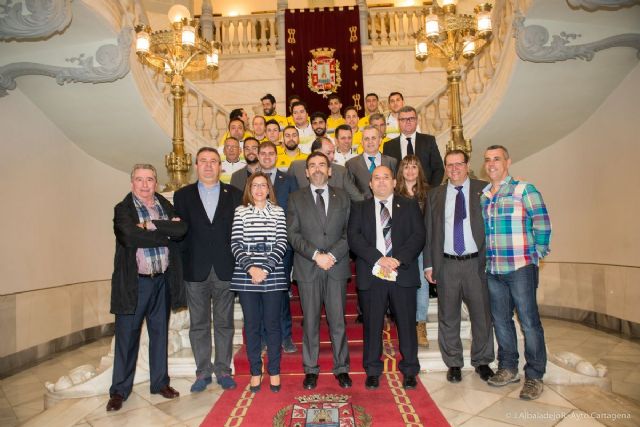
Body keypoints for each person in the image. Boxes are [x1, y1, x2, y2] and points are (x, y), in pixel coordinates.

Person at [107, 164, 187, 411]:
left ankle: (160, 383)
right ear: (132, 183)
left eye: (149, 179)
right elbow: (129, 237)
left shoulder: (165, 204)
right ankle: (119, 390)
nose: (144, 185)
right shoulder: (123, 209)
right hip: (136, 283)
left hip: (162, 280)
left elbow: (181, 229)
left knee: (160, 334)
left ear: (156, 182)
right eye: (139, 180)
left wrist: (149, 225)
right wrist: (165, 229)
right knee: (127, 338)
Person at [481, 145, 551, 400]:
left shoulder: (524, 190)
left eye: (496, 159)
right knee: (501, 321)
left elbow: (541, 221)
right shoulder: (485, 195)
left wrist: (537, 253)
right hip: (493, 268)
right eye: (487, 160)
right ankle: (508, 367)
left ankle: (534, 375)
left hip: (520, 267)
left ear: (507, 162)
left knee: (530, 322)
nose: (491, 164)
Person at [348, 166, 425, 390]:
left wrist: (397, 259)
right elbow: (354, 237)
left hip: (402, 273)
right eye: (376, 178)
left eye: (386, 178)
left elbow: (419, 235)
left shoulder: (409, 205)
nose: (381, 182)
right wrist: (379, 259)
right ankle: (372, 370)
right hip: (373, 275)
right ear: (370, 184)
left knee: (407, 325)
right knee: (372, 325)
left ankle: (410, 369)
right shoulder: (359, 207)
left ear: (394, 182)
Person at [173, 147, 243, 392]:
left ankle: (223, 370)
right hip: (195, 269)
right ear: (195, 165)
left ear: (220, 166)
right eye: (203, 161)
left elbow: (240, 233)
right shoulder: (182, 196)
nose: (209, 166)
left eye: (213, 161)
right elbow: (178, 236)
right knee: (199, 324)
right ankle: (202, 372)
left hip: (225, 268)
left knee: (224, 324)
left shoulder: (235, 194)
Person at [423, 149, 495, 384]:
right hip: (447, 264)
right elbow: (430, 234)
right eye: (449, 165)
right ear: (445, 168)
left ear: (467, 165)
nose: (454, 169)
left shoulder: (483, 189)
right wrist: (429, 265)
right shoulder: (435, 195)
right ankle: (453, 362)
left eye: (459, 164)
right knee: (448, 316)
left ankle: (482, 361)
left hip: (477, 263)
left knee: (481, 315)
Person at [288, 152, 353, 390]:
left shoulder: (343, 197)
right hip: (308, 268)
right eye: (312, 165)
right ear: (306, 172)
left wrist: (332, 255)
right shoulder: (295, 198)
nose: (317, 169)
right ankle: (311, 369)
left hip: (336, 268)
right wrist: (317, 255)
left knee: (338, 322)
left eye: (321, 165)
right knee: (311, 322)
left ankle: (342, 368)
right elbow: (292, 234)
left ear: (329, 170)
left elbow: (350, 232)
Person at [230, 172, 288, 393]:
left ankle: (274, 370)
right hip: (246, 275)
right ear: (249, 188)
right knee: (252, 325)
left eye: (263, 185)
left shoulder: (278, 211)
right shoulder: (241, 211)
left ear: (269, 188)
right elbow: (235, 243)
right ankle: (256, 371)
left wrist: (265, 269)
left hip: (271, 274)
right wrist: (251, 268)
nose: (259, 189)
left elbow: (281, 243)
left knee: (273, 325)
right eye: (255, 185)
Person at [257, 141, 300, 353]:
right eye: (263, 153)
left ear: (277, 155)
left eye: (270, 153)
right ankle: (264, 337)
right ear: (257, 155)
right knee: (260, 293)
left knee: (281, 293)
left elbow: (295, 212)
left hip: (283, 247)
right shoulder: (251, 182)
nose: (266, 156)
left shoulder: (289, 180)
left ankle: (286, 337)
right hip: (256, 248)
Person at [395, 155, 431, 348]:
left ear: (419, 170)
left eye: (414, 167)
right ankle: (403, 321)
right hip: (401, 246)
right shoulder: (395, 193)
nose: (410, 171)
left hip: (423, 246)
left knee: (422, 286)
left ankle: (421, 324)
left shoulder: (428, 193)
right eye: (406, 167)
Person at [287, 137, 364, 202]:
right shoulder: (296, 167)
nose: (332, 157)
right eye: (328, 153)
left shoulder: (341, 171)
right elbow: (288, 196)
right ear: (316, 152)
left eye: (333, 152)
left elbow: (357, 198)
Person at [383, 106, 444, 187]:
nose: (408, 122)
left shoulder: (429, 141)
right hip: (399, 194)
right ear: (398, 122)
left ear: (416, 121)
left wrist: (431, 190)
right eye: (403, 119)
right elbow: (387, 172)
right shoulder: (389, 146)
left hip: (426, 193)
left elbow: (438, 168)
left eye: (411, 118)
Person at [346, 126, 397, 199]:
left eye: (373, 138)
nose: (370, 142)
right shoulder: (351, 164)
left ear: (380, 140)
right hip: (362, 207)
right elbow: (351, 191)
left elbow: (395, 188)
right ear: (362, 142)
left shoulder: (392, 162)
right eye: (366, 139)